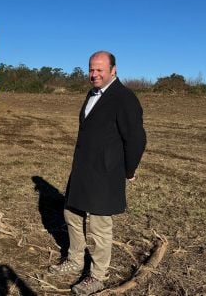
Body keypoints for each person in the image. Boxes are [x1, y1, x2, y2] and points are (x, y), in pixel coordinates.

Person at [49, 51, 146, 296]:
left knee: (99, 226)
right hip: (83, 169)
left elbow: (136, 139)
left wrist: (129, 169)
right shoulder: (91, 94)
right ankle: (75, 259)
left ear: (113, 70)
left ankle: (97, 275)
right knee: (71, 213)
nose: (94, 74)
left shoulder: (124, 98)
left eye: (100, 70)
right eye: (92, 69)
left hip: (106, 171)